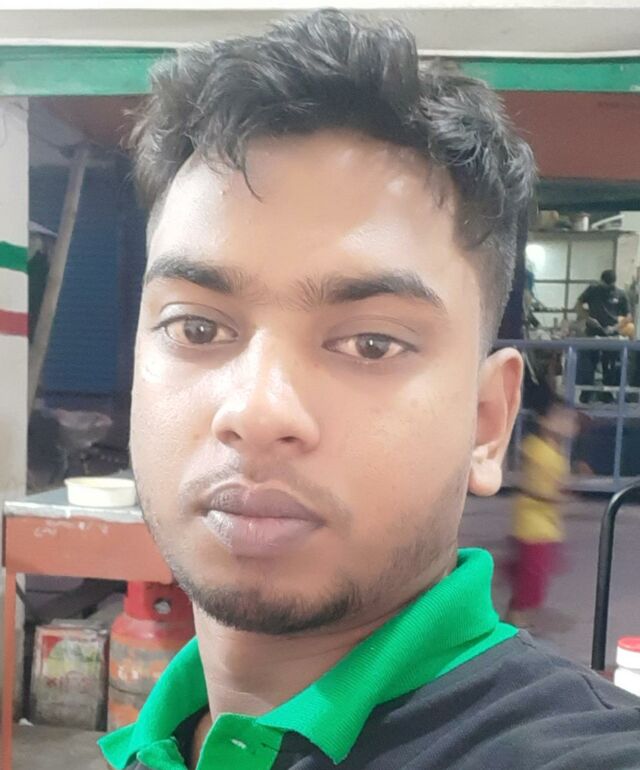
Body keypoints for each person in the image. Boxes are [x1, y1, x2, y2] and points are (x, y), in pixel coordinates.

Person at [98, 10, 640, 770]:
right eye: (197, 327)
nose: (257, 410)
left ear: (488, 421)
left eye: (371, 343)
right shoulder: (148, 745)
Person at [506, 390, 577, 630]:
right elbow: (535, 488)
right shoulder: (538, 451)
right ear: (544, 421)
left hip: (544, 525)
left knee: (531, 576)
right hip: (533, 527)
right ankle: (516, 624)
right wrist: (560, 496)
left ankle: (516, 618)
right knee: (531, 581)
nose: (568, 423)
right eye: (561, 417)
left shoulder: (553, 452)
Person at [576, 269, 631, 403]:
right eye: (606, 285)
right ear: (601, 282)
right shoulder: (593, 290)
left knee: (611, 365)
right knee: (588, 363)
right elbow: (578, 305)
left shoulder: (620, 294)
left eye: (610, 286)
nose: (608, 289)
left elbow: (629, 317)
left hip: (611, 334)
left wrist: (615, 328)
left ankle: (607, 393)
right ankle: (586, 392)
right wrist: (588, 318)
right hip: (593, 332)